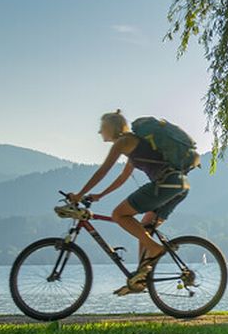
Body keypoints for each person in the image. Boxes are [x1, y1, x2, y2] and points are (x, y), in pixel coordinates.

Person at [69, 111, 196, 294]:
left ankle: (155, 249)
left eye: (102, 127)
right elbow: (122, 177)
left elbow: (103, 171)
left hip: (165, 184)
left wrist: (79, 194)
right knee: (144, 227)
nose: (99, 132)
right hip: (179, 185)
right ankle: (141, 277)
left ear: (111, 127)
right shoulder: (133, 144)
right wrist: (100, 195)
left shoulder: (123, 142)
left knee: (119, 214)